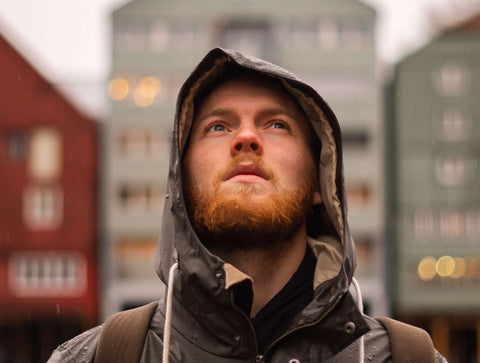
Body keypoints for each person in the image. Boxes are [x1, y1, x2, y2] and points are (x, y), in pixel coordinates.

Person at [48, 48, 447, 362]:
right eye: (218, 126)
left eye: (276, 124)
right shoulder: (101, 357)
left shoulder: (405, 357)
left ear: (318, 182)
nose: (246, 137)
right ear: (182, 182)